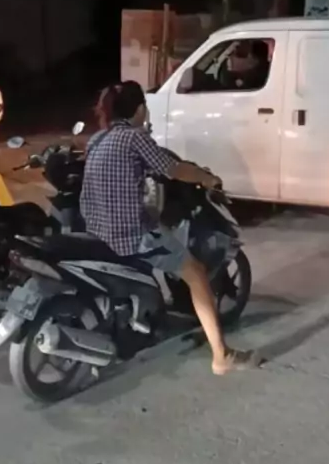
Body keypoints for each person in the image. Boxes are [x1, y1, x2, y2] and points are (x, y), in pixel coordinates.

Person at [80, 80, 260, 375]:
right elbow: (173, 169)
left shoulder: (98, 139)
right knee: (196, 273)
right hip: (131, 235)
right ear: (140, 109)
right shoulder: (134, 138)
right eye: (145, 107)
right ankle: (222, 356)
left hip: (97, 232)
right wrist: (206, 178)